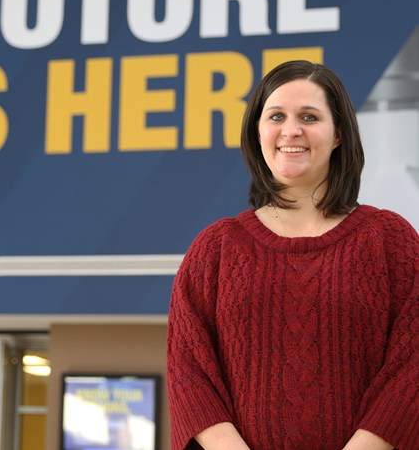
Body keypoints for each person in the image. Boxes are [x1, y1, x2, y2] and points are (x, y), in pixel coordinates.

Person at [166, 60, 418, 450]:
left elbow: (412, 367)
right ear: (258, 132)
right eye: (276, 116)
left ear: (338, 135)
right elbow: (189, 373)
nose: (291, 129)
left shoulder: (391, 240)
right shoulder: (214, 248)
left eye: (309, 116)